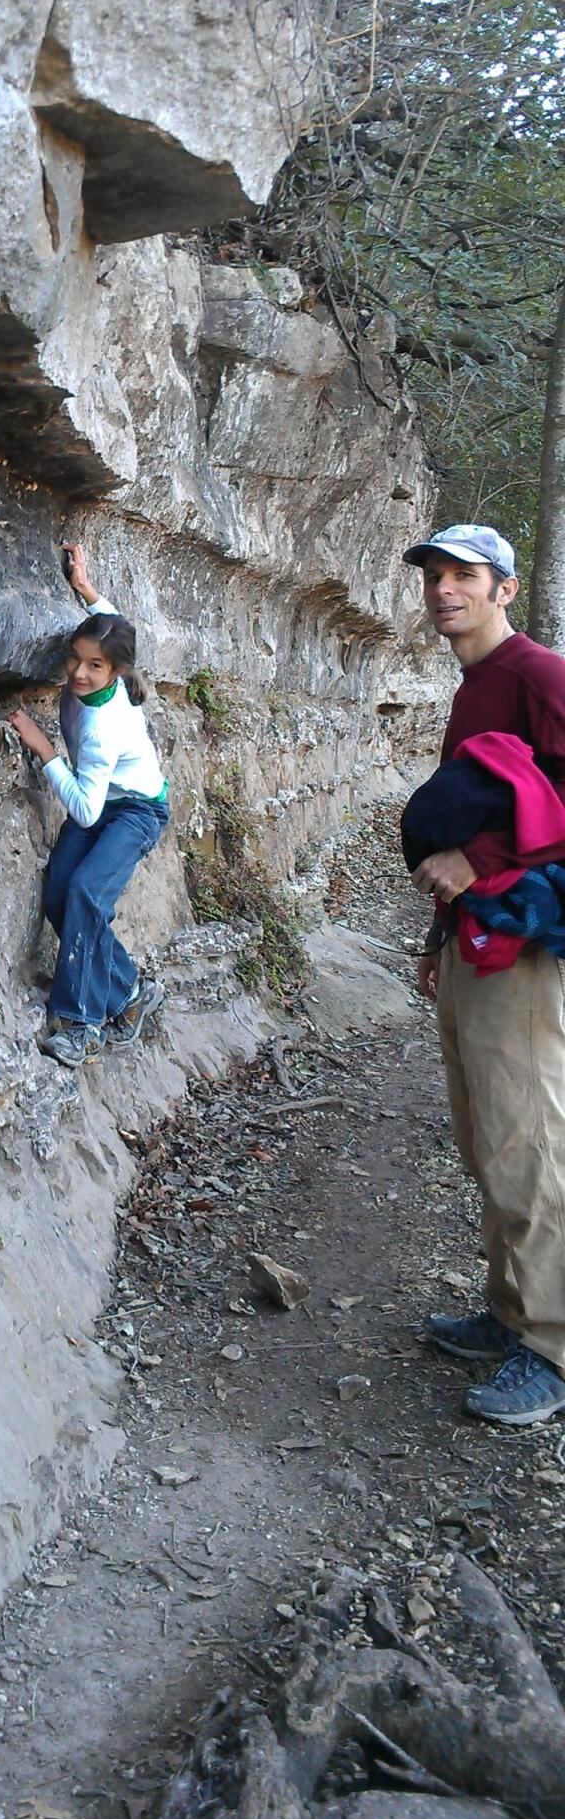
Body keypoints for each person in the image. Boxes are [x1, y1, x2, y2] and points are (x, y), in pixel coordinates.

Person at [405, 521, 565, 1426]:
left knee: (529, 1139)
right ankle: (511, 1313)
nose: (444, 590)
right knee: (485, 1135)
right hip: (472, 941)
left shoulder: (538, 675)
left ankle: (552, 1343)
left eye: (465, 575)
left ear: (505, 589)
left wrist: (483, 859)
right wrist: (437, 934)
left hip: (521, 944)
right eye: (433, 575)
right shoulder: (475, 688)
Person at [10, 542, 169, 1068]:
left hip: (135, 810)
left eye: (93, 667)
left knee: (86, 893)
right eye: (75, 659)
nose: (78, 673)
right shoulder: (104, 649)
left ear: (117, 672)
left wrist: (45, 749)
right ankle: (130, 992)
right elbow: (109, 618)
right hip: (103, 799)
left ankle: (82, 1024)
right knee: (60, 894)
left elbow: (83, 810)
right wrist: (83, 584)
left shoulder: (105, 729)